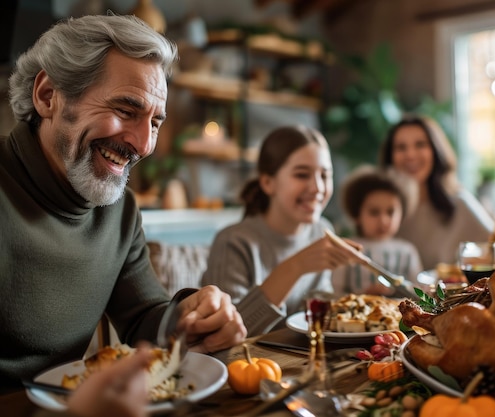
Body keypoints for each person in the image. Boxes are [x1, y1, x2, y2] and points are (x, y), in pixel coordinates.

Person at [0, 13, 247, 410]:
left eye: (155, 122)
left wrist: (191, 317)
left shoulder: (119, 210)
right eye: (126, 109)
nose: (143, 144)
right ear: (48, 96)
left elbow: (143, 317)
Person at [200, 125, 363, 336]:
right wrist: (296, 266)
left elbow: (319, 312)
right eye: (302, 174)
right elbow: (222, 335)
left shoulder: (322, 231)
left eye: (324, 175)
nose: (317, 188)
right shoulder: (233, 242)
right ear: (268, 183)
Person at [379, 115, 495, 271]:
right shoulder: (381, 210)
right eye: (401, 147)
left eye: (420, 145)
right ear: (390, 157)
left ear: (435, 151)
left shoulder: (459, 203)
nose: (411, 155)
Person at [332, 166, 423, 296]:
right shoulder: (348, 249)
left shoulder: (408, 251)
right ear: (357, 214)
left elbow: (418, 293)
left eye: (390, 212)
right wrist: (363, 295)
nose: (383, 220)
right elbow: (336, 292)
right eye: (374, 212)